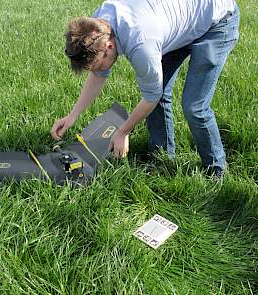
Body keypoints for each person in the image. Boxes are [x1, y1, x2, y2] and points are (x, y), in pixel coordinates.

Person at [51, 0, 240, 178]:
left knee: (194, 106)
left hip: (216, 20)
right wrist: (73, 115)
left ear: (109, 46)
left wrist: (123, 132)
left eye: (99, 64)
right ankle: (162, 157)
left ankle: (216, 168)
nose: (99, 70)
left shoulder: (141, 43)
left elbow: (151, 95)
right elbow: (98, 75)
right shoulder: (96, 27)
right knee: (160, 93)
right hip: (180, 22)